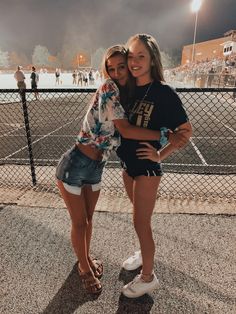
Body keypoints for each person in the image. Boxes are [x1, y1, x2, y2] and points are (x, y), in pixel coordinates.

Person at [55, 45, 172, 295]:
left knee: (89, 221)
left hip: (97, 167)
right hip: (75, 164)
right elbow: (127, 130)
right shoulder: (109, 87)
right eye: (112, 68)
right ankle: (84, 268)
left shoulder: (125, 95)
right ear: (106, 70)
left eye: (122, 66)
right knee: (79, 223)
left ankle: (85, 258)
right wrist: (162, 136)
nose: (117, 72)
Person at [116, 34, 192, 298]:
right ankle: (142, 254)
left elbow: (185, 132)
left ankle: (148, 277)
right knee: (138, 218)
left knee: (141, 222)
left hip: (147, 168)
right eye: (131, 56)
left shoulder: (163, 93)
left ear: (152, 60)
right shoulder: (127, 88)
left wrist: (160, 154)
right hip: (127, 164)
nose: (134, 62)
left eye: (141, 56)